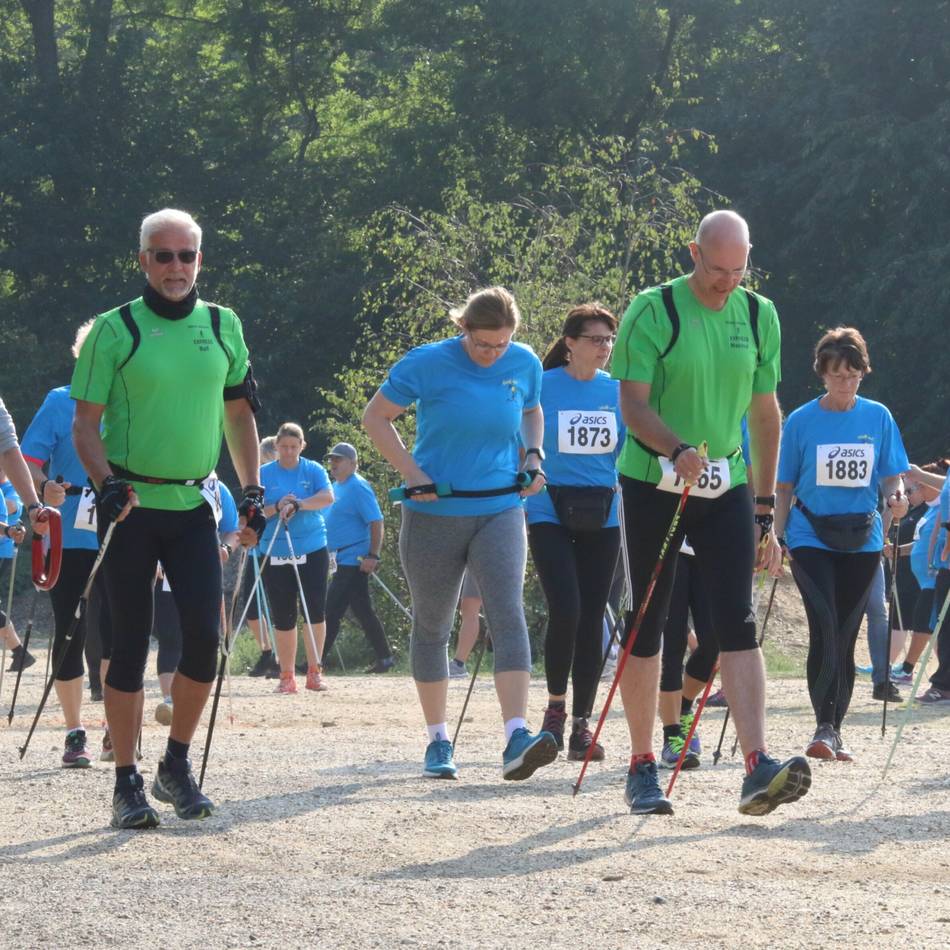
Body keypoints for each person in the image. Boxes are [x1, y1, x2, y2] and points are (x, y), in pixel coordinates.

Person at [71, 207, 264, 829]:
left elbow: (239, 414)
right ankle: (125, 781)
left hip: (193, 506)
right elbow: (84, 425)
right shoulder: (114, 328)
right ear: (144, 261)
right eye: (164, 255)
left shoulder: (224, 324)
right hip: (131, 507)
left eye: (186, 255)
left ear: (200, 260)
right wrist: (105, 483)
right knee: (129, 645)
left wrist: (252, 489)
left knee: (205, 638)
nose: (176, 267)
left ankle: (174, 764)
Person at [611, 210, 808, 816]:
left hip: (726, 483)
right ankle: (642, 764)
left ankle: (758, 765)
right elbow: (632, 406)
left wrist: (765, 507)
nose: (727, 281)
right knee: (648, 623)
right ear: (694, 253)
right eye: (717, 268)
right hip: (654, 479)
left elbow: (765, 413)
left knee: (736, 622)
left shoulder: (759, 314)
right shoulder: (654, 310)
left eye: (738, 270)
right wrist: (676, 449)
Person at [363, 285, 557, 782]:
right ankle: (438, 740)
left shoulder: (524, 362)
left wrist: (534, 456)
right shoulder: (427, 362)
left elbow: (532, 411)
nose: (492, 353)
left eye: (501, 344)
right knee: (433, 623)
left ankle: (517, 736)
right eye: (482, 344)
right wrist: (411, 473)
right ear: (463, 328)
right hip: (435, 512)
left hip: (501, 507)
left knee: (508, 613)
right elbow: (375, 417)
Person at [774, 327, 909, 760]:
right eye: (836, 375)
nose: (845, 383)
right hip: (809, 534)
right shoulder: (801, 421)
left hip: (863, 537)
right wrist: (776, 536)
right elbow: (783, 486)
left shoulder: (878, 417)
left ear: (863, 373)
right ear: (822, 374)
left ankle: (834, 729)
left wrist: (897, 497)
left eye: (852, 374)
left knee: (847, 631)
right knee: (825, 623)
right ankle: (823, 726)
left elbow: (891, 475)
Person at [21, 319, 119, 765]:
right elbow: (27, 459)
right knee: (69, 629)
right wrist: (44, 487)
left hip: (119, 529)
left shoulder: (131, 403)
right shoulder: (59, 401)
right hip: (69, 534)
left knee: (119, 629)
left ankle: (116, 727)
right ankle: (74, 731)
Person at [528, 304, 623, 762]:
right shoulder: (542, 386)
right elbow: (520, 437)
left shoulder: (618, 391)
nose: (604, 347)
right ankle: (554, 711)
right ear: (570, 343)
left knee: (591, 616)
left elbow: (631, 451)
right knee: (566, 607)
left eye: (609, 340)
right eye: (595, 339)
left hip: (603, 513)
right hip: (547, 507)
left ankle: (582, 726)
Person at [153, 475, 240, 725]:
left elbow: (232, 530)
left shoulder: (219, 489)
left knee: (202, 636)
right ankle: (170, 700)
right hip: (165, 572)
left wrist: (225, 549)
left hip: (202, 569)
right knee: (170, 636)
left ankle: (190, 699)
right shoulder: (162, 483)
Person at [259, 422, 334, 694]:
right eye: (284, 447)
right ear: (276, 446)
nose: (289, 452)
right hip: (274, 548)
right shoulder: (263, 473)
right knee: (283, 613)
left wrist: (299, 504)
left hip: (311, 546)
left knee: (314, 609)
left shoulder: (313, 470)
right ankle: (286, 675)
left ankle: (314, 671)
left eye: (294, 446)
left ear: (302, 446)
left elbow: (327, 497)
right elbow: (254, 510)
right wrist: (277, 505)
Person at [323, 442, 394, 674]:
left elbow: (376, 520)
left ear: (353, 463)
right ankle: (385, 657)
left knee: (331, 609)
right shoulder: (335, 487)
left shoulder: (358, 486)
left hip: (354, 559)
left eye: (339, 459)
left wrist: (373, 555)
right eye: (332, 459)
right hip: (339, 559)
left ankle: (316, 661)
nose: (333, 463)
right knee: (361, 610)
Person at [246, 436, 280, 677]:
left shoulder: (281, 481)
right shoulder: (258, 483)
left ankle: (279, 658)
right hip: (256, 549)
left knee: (278, 606)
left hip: (277, 548)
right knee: (252, 607)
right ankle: (267, 651)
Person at [1, 469, 34, 672]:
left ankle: (20, 652)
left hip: (2, 552)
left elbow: (11, 505)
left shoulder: (11, 490)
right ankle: (20, 653)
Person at [448, 571, 482, 678]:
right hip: (474, 563)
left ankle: (514, 663)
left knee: (503, 607)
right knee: (469, 605)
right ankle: (458, 664)